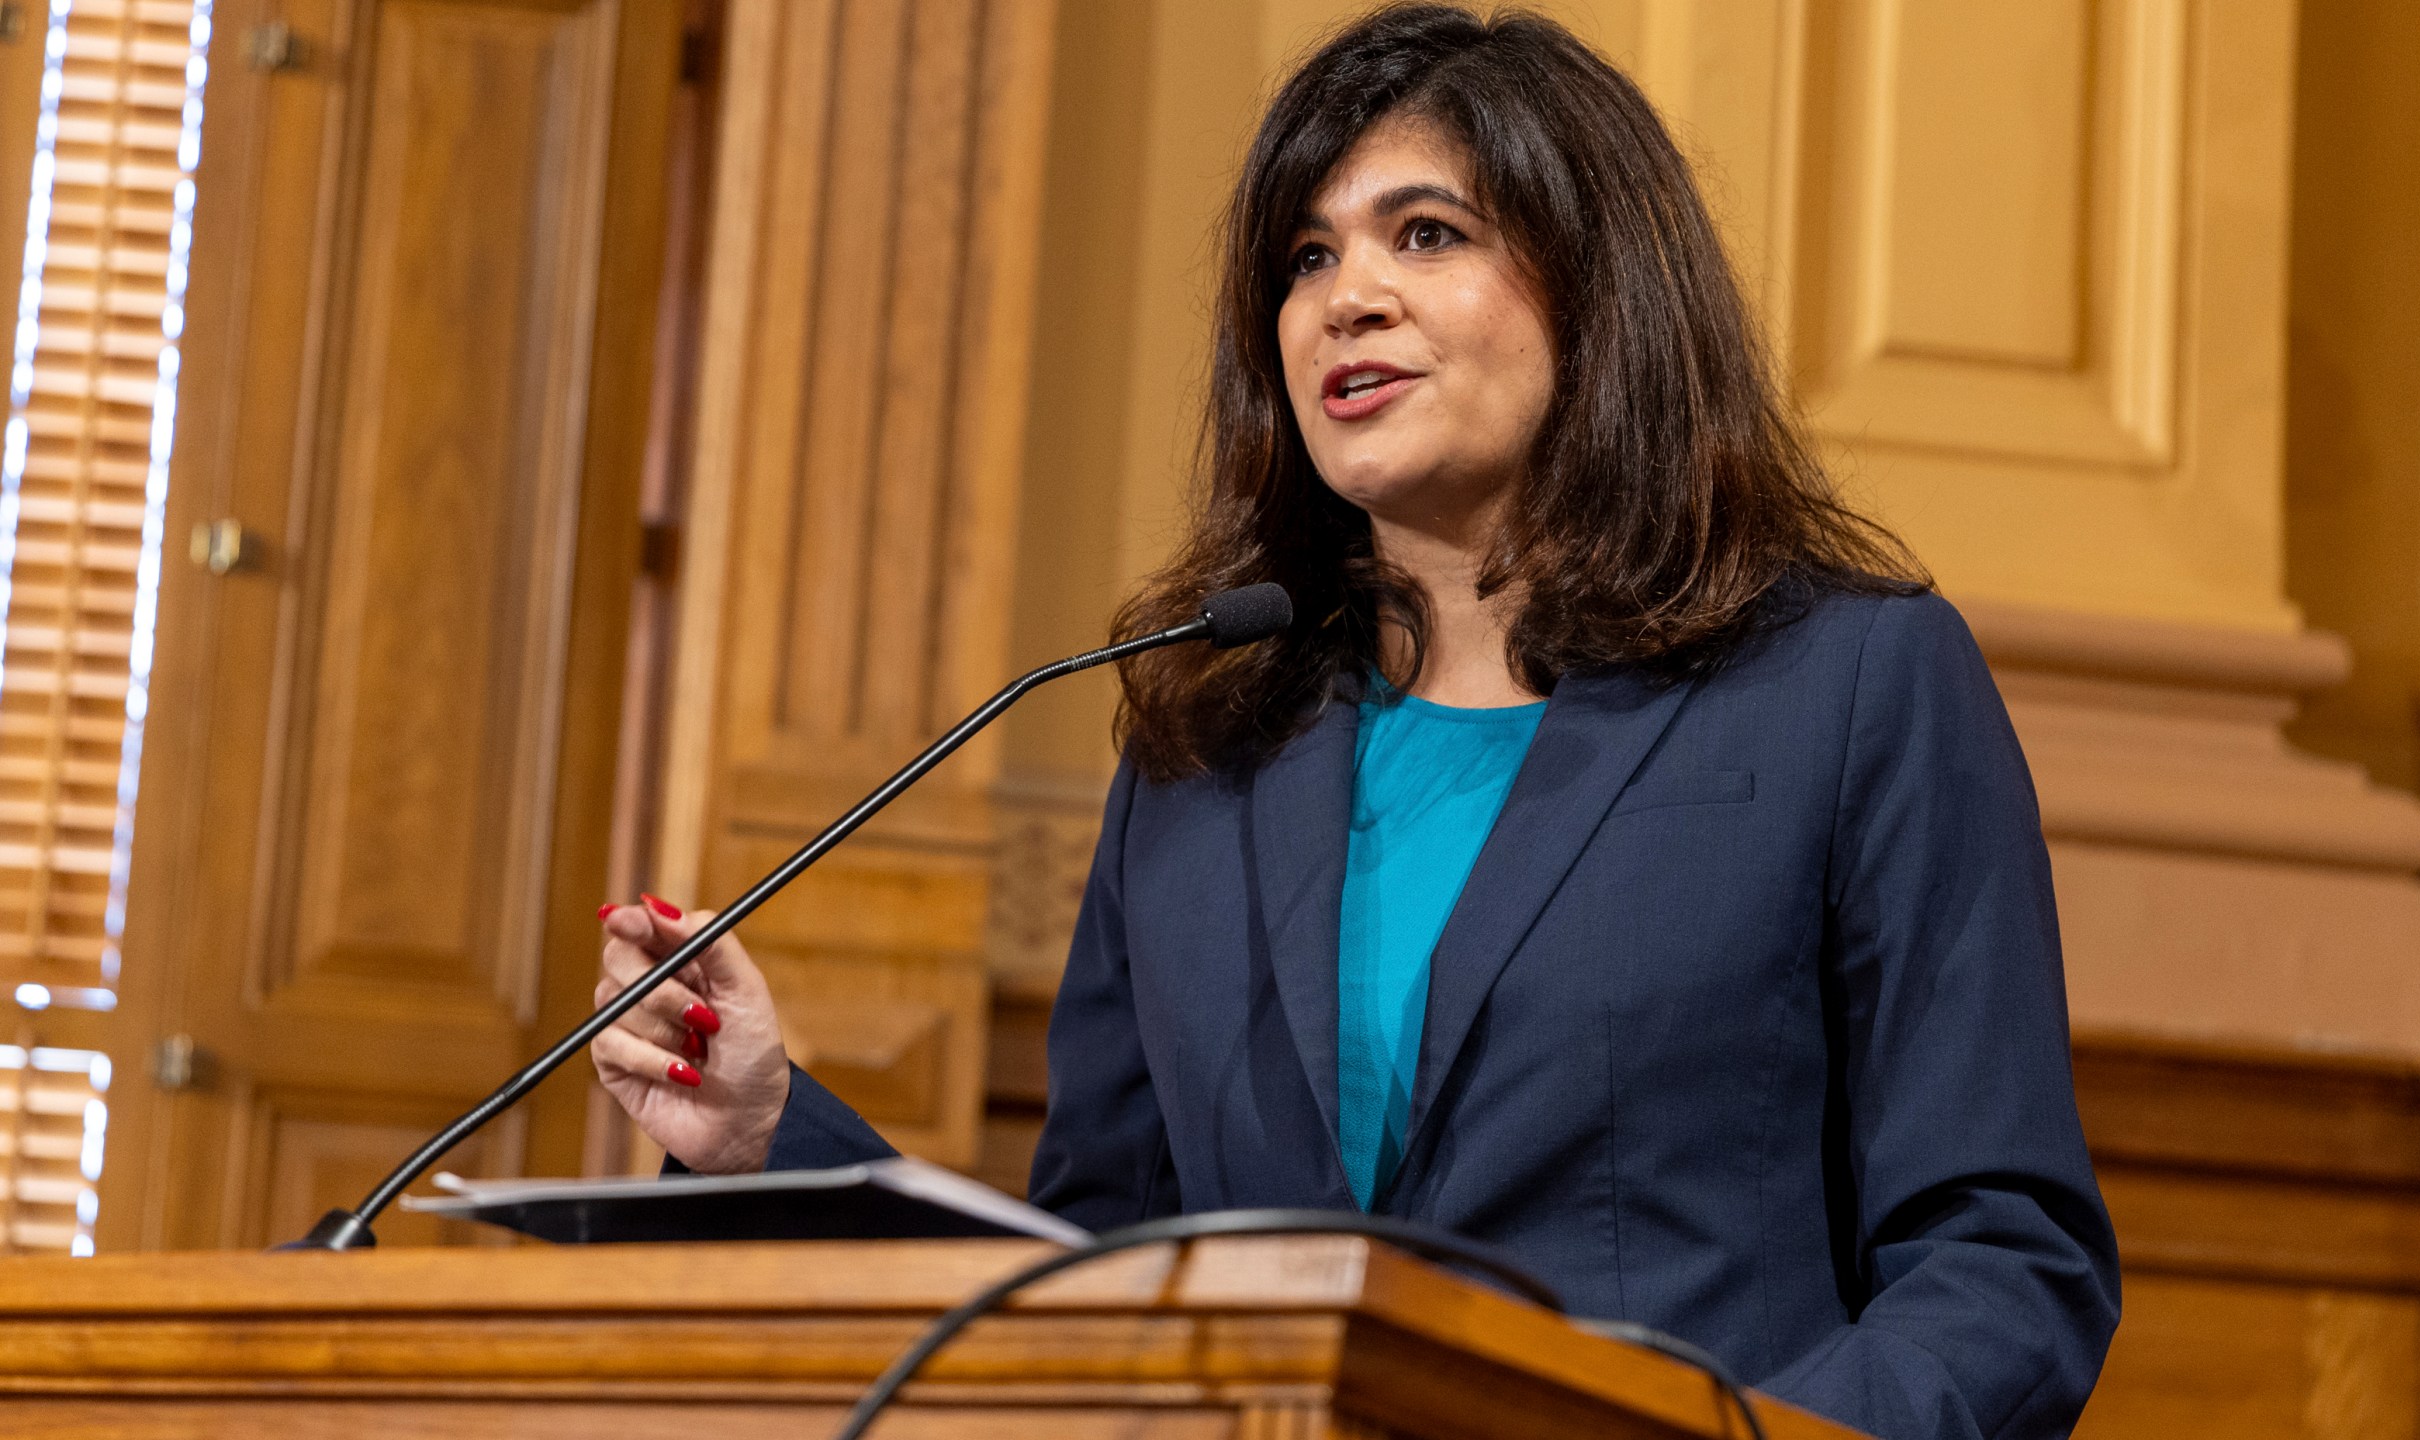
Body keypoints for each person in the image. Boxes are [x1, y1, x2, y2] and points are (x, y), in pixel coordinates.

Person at [592, 7, 2119, 1436]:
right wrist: (773, 1130)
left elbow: (2004, 1263)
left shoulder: (1847, 688)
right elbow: (1093, 1288)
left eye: (1427, 233)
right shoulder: (1205, 742)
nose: (1346, 298)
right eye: (1307, 257)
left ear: (1604, 287)